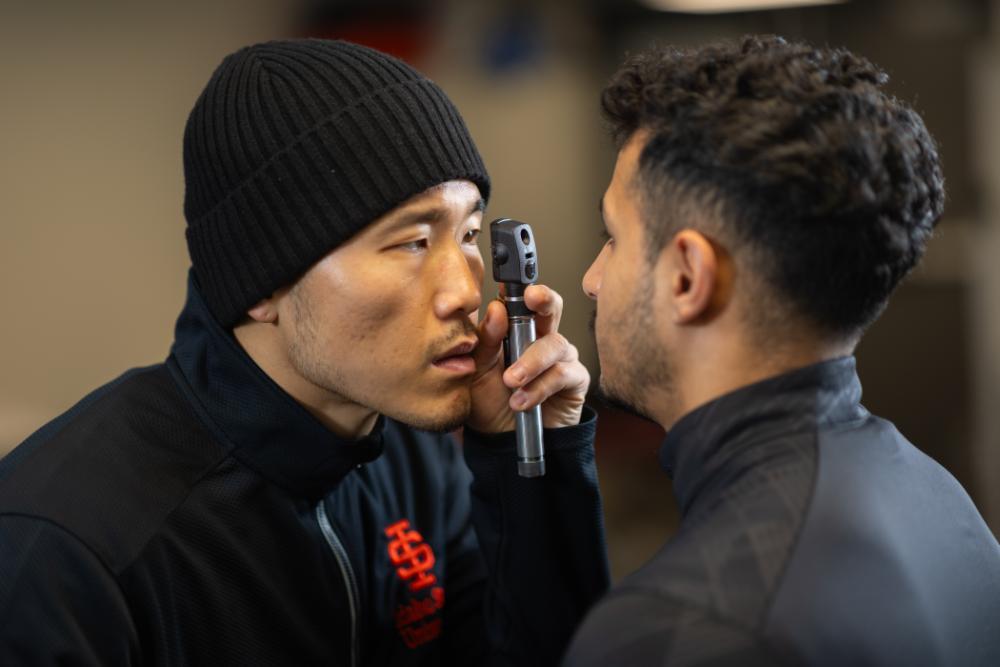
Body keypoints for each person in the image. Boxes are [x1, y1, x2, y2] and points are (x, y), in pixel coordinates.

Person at [0, 38, 610, 665]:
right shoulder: (64, 550)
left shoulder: (414, 461)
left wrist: (529, 467)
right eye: (411, 243)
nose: (464, 289)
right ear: (263, 282)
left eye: (469, 234)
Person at [564, 35, 1000, 666]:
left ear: (688, 276)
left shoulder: (685, 627)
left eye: (613, 237)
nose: (591, 279)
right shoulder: (938, 500)